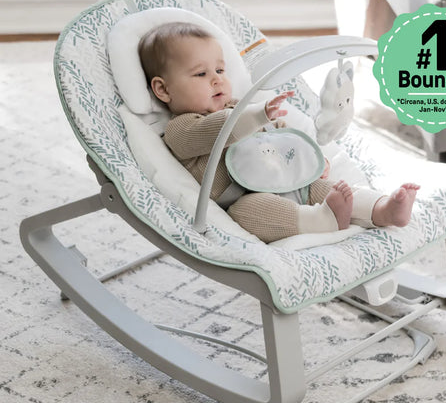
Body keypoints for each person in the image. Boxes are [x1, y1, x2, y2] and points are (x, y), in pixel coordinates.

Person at [138, 22, 419, 243]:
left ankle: (382, 208)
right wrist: (256, 115)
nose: (216, 79)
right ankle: (321, 220)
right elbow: (218, 129)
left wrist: (312, 159)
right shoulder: (181, 127)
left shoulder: (241, 106)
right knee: (248, 212)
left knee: (327, 189)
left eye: (220, 70)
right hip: (241, 195)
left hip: (289, 180)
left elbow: (284, 138)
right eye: (201, 74)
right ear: (163, 89)